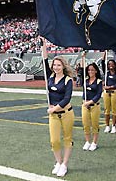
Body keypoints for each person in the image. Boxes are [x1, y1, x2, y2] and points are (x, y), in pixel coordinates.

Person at [41, 37, 74, 177]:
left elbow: (67, 99)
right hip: (53, 115)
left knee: (67, 139)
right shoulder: (50, 77)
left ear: (63, 67)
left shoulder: (68, 80)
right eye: (54, 65)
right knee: (54, 140)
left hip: (66, 113)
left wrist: (54, 108)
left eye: (59, 65)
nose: (56, 67)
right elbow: (44, 60)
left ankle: (65, 164)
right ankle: (58, 162)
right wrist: (43, 44)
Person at [81, 52, 102, 151]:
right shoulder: (85, 80)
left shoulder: (99, 82)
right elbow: (81, 71)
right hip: (85, 105)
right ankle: (87, 141)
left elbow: (98, 95)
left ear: (96, 71)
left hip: (94, 105)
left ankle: (94, 142)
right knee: (85, 124)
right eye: (89, 70)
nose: (90, 71)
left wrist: (89, 102)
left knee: (94, 125)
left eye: (92, 70)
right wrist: (82, 58)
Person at [102, 51, 116, 133]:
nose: (110, 66)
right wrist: (105, 52)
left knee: (114, 110)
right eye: (109, 64)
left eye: (112, 64)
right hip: (106, 93)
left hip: (114, 92)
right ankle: (107, 126)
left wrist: (110, 86)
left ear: (115, 65)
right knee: (107, 110)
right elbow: (102, 62)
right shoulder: (106, 73)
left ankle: (113, 126)